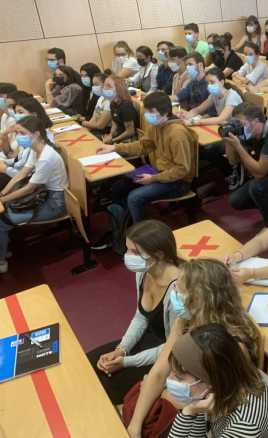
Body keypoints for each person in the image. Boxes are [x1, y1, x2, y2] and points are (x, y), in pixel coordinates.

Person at [125, 259, 263, 437]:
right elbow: (159, 371)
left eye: (180, 289)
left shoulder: (232, 344)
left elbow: (218, 400)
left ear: (201, 297)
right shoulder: (185, 319)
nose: (173, 292)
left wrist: (169, 394)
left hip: (209, 413)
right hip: (187, 396)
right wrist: (135, 425)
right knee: (135, 417)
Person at [87, 220, 181, 404]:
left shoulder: (178, 290)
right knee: (89, 363)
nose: (127, 256)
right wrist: (121, 350)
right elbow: (141, 316)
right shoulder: (144, 271)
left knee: (103, 389)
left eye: (135, 252)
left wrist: (126, 362)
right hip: (149, 340)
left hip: (169, 355)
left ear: (159, 255)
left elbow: (172, 347)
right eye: (128, 249)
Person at [166, 323, 268, 438]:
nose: (169, 378)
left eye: (179, 377)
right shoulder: (230, 377)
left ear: (210, 383)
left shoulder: (245, 426)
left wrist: (188, 412)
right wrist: (192, 410)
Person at [96, 91, 196, 230]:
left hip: (178, 181)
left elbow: (182, 170)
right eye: (146, 110)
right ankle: (124, 223)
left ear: (165, 112)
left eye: (151, 111)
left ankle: (141, 233)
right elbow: (142, 146)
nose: (147, 115)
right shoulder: (157, 126)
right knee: (119, 187)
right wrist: (115, 148)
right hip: (159, 173)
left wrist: (154, 178)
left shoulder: (177, 134)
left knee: (134, 198)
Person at [0, 116, 67, 274]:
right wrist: (3, 193)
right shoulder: (35, 149)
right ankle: (4, 247)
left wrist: (2, 199)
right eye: (17, 133)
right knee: (6, 209)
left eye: (22, 133)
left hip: (55, 202)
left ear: (36, 134)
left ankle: (1, 260)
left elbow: (29, 188)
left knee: (2, 221)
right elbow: (22, 174)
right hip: (42, 193)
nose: (18, 137)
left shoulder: (46, 157)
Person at [0, 96, 55, 193]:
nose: (16, 116)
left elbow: (28, 176)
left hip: (24, 183)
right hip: (15, 175)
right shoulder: (25, 132)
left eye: (21, 112)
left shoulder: (40, 139)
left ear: (34, 115)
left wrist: (6, 169)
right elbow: (16, 158)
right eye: (16, 112)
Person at [101, 75, 139, 145]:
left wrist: (113, 140)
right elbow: (115, 124)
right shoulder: (112, 104)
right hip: (118, 136)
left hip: (129, 140)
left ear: (119, 88)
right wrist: (110, 136)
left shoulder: (126, 106)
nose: (105, 88)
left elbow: (130, 131)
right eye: (104, 86)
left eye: (109, 86)